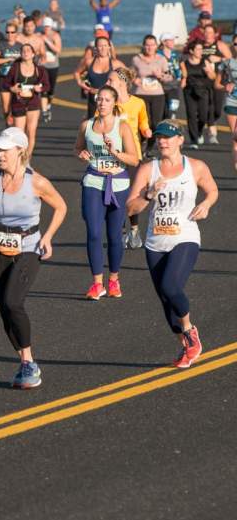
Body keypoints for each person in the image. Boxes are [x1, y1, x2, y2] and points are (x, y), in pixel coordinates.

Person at [0, 127, 66, 389]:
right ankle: (23, 361)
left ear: (20, 151)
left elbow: (61, 207)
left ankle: (29, 362)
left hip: (28, 247)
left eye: (5, 150)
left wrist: (47, 237)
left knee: (13, 301)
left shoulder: (36, 182)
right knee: (3, 306)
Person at [127, 120, 218, 368]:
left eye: (168, 137)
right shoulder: (148, 169)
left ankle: (190, 330)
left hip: (185, 236)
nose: (162, 141)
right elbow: (131, 207)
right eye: (159, 137)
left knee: (170, 286)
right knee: (166, 302)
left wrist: (206, 205)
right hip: (156, 242)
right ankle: (186, 347)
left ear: (180, 139)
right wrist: (148, 194)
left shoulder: (195, 167)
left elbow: (212, 190)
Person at [74, 86, 139, 299]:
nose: (102, 103)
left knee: (114, 236)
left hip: (118, 183)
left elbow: (134, 159)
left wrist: (115, 152)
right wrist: (82, 153)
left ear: (114, 103)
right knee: (93, 232)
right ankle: (96, 283)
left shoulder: (122, 127)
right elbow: (77, 148)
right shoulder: (87, 125)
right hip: (93, 180)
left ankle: (113, 279)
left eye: (106, 100)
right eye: (99, 99)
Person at [106, 67, 151, 250]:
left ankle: (134, 229)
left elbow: (144, 124)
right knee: (116, 196)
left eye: (111, 80)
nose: (107, 83)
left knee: (132, 195)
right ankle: (122, 232)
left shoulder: (138, 103)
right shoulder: (108, 103)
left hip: (134, 157)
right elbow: (97, 123)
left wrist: (147, 131)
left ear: (122, 82)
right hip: (113, 157)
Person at [3, 43, 50, 158]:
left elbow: (47, 86)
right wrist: (12, 88)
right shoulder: (15, 67)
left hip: (33, 103)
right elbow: (5, 83)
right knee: (19, 134)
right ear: (21, 53)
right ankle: (18, 158)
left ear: (33, 54)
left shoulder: (39, 69)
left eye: (29, 50)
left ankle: (26, 161)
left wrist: (40, 88)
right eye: (23, 50)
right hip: (18, 103)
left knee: (31, 133)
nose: (26, 52)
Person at [132, 35, 168, 153]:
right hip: (141, 94)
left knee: (155, 123)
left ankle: (149, 148)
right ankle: (141, 142)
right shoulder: (136, 59)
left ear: (156, 46)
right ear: (143, 46)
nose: (149, 47)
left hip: (157, 94)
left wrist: (160, 76)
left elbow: (169, 76)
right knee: (144, 122)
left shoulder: (161, 59)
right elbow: (129, 74)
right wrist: (134, 80)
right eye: (147, 45)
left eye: (152, 44)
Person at [74, 32, 124, 118]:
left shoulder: (115, 64)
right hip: (94, 100)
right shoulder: (89, 62)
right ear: (96, 48)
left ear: (109, 47)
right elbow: (77, 73)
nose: (103, 48)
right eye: (100, 46)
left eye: (105, 46)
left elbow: (128, 77)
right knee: (92, 126)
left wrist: (118, 89)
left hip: (110, 100)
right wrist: (81, 84)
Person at [201, 25, 231, 144]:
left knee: (218, 109)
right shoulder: (200, 46)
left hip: (218, 81)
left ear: (215, 34)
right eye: (206, 32)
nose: (208, 35)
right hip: (203, 82)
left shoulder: (220, 45)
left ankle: (210, 122)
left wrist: (219, 59)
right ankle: (212, 133)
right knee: (208, 106)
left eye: (210, 32)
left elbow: (231, 61)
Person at [181, 41, 215, 149]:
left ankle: (199, 131)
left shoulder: (205, 61)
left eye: (201, 49)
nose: (201, 51)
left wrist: (209, 72)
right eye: (198, 49)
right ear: (191, 51)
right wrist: (183, 80)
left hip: (203, 92)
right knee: (191, 115)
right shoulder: (184, 63)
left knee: (203, 116)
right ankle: (193, 140)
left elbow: (213, 77)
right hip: (189, 91)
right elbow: (183, 78)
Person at [214, 34, 237, 170]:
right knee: (236, 138)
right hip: (232, 102)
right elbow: (217, 84)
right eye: (235, 43)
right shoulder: (226, 63)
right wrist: (225, 86)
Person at [39, 17, 62, 122]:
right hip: (42, 66)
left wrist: (47, 41)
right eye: (45, 26)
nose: (46, 28)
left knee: (51, 90)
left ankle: (48, 106)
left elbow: (58, 50)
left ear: (51, 26)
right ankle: (44, 111)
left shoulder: (55, 36)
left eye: (48, 26)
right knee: (43, 88)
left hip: (53, 66)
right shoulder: (39, 35)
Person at [157, 33, 183, 119]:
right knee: (163, 112)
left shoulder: (175, 55)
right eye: (171, 40)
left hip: (174, 86)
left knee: (173, 109)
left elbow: (178, 68)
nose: (173, 42)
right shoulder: (157, 55)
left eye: (173, 40)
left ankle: (170, 126)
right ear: (164, 42)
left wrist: (181, 78)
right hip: (161, 86)